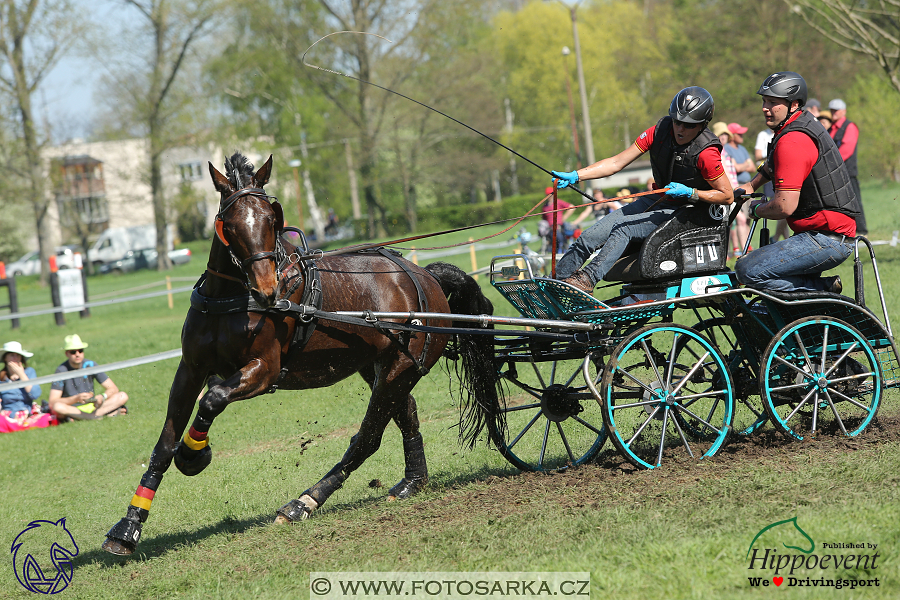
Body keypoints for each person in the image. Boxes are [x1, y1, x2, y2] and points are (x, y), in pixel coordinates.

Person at [550, 86, 734, 292]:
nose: (680, 129)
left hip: (686, 212)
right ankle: (555, 285)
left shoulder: (707, 153)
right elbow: (616, 163)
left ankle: (586, 280)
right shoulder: (658, 132)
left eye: (688, 125)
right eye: (676, 121)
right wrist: (577, 175)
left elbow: (727, 196)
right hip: (657, 200)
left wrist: (691, 193)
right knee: (589, 236)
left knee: (624, 230)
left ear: (702, 125)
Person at [735, 72, 859, 293]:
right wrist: (751, 185)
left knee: (747, 270)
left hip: (827, 239)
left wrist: (757, 209)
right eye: (764, 100)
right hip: (824, 233)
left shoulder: (793, 140)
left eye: (773, 102)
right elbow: (773, 163)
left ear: (793, 104)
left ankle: (823, 287)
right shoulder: (796, 125)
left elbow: (784, 206)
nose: (765, 107)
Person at [48, 334, 128, 420]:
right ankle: (100, 415)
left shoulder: (90, 365)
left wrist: (102, 396)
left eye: (80, 350)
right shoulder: (61, 370)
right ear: (67, 353)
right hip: (73, 408)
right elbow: (52, 402)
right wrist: (76, 399)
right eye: (73, 352)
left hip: (93, 406)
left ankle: (86, 417)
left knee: (122, 396)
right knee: (57, 407)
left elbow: (113, 388)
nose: (77, 354)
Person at [828, 98, 867, 236]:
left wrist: (829, 164)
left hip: (847, 171)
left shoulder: (850, 126)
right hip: (834, 172)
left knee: (854, 200)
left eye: (836, 110)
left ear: (843, 111)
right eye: (832, 110)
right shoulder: (830, 128)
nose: (833, 113)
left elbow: (846, 150)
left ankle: (862, 230)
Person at [713, 122, 748, 257]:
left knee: (732, 221)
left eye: (725, 134)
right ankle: (741, 251)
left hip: (734, 189)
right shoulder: (716, 152)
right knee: (739, 220)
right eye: (720, 134)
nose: (723, 137)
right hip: (727, 191)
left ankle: (736, 251)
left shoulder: (725, 151)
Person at [1, 341, 41, 415]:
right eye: (12, 355)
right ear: (5, 358)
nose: (15, 358)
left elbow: (35, 394)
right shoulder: (1, 378)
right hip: (8, 414)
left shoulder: (29, 372)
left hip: (27, 413)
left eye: (18, 355)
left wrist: (21, 375)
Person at [538, 187, 577, 253]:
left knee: (560, 242)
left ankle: (563, 250)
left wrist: (564, 217)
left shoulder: (558, 202)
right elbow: (544, 219)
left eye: (551, 194)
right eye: (548, 195)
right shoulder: (545, 207)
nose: (549, 196)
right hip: (550, 229)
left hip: (559, 228)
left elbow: (572, 207)